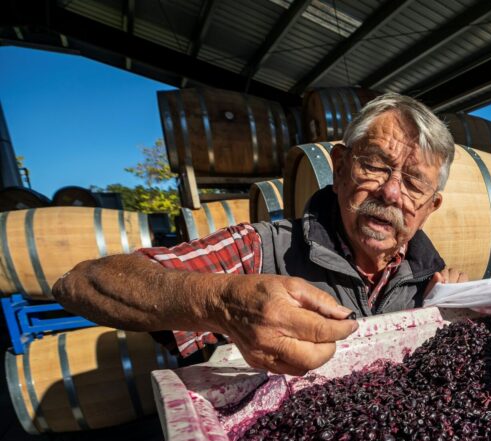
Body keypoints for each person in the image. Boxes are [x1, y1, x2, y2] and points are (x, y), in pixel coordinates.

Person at [54, 94, 466, 376]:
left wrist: (453, 307)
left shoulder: (427, 279)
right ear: (339, 167)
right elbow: (82, 283)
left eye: (413, 183)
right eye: (375, 165)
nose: (391, 192)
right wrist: (222, 302)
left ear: (430, 207)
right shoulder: (263, 249)